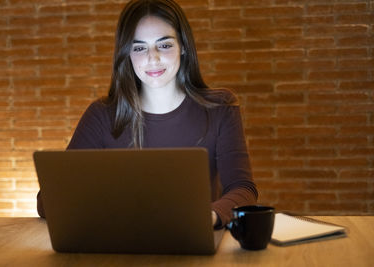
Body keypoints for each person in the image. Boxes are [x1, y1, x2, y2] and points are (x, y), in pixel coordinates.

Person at [37, 0, 258, 229]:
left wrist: (207, 217)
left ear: (183, 46)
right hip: (118, 248)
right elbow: (47, 200)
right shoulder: (102, 115)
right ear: (127, 54)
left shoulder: (220, 108)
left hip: (193, 244)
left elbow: (243, 189)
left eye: (164, 45)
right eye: (140, 47)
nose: (153, 58)